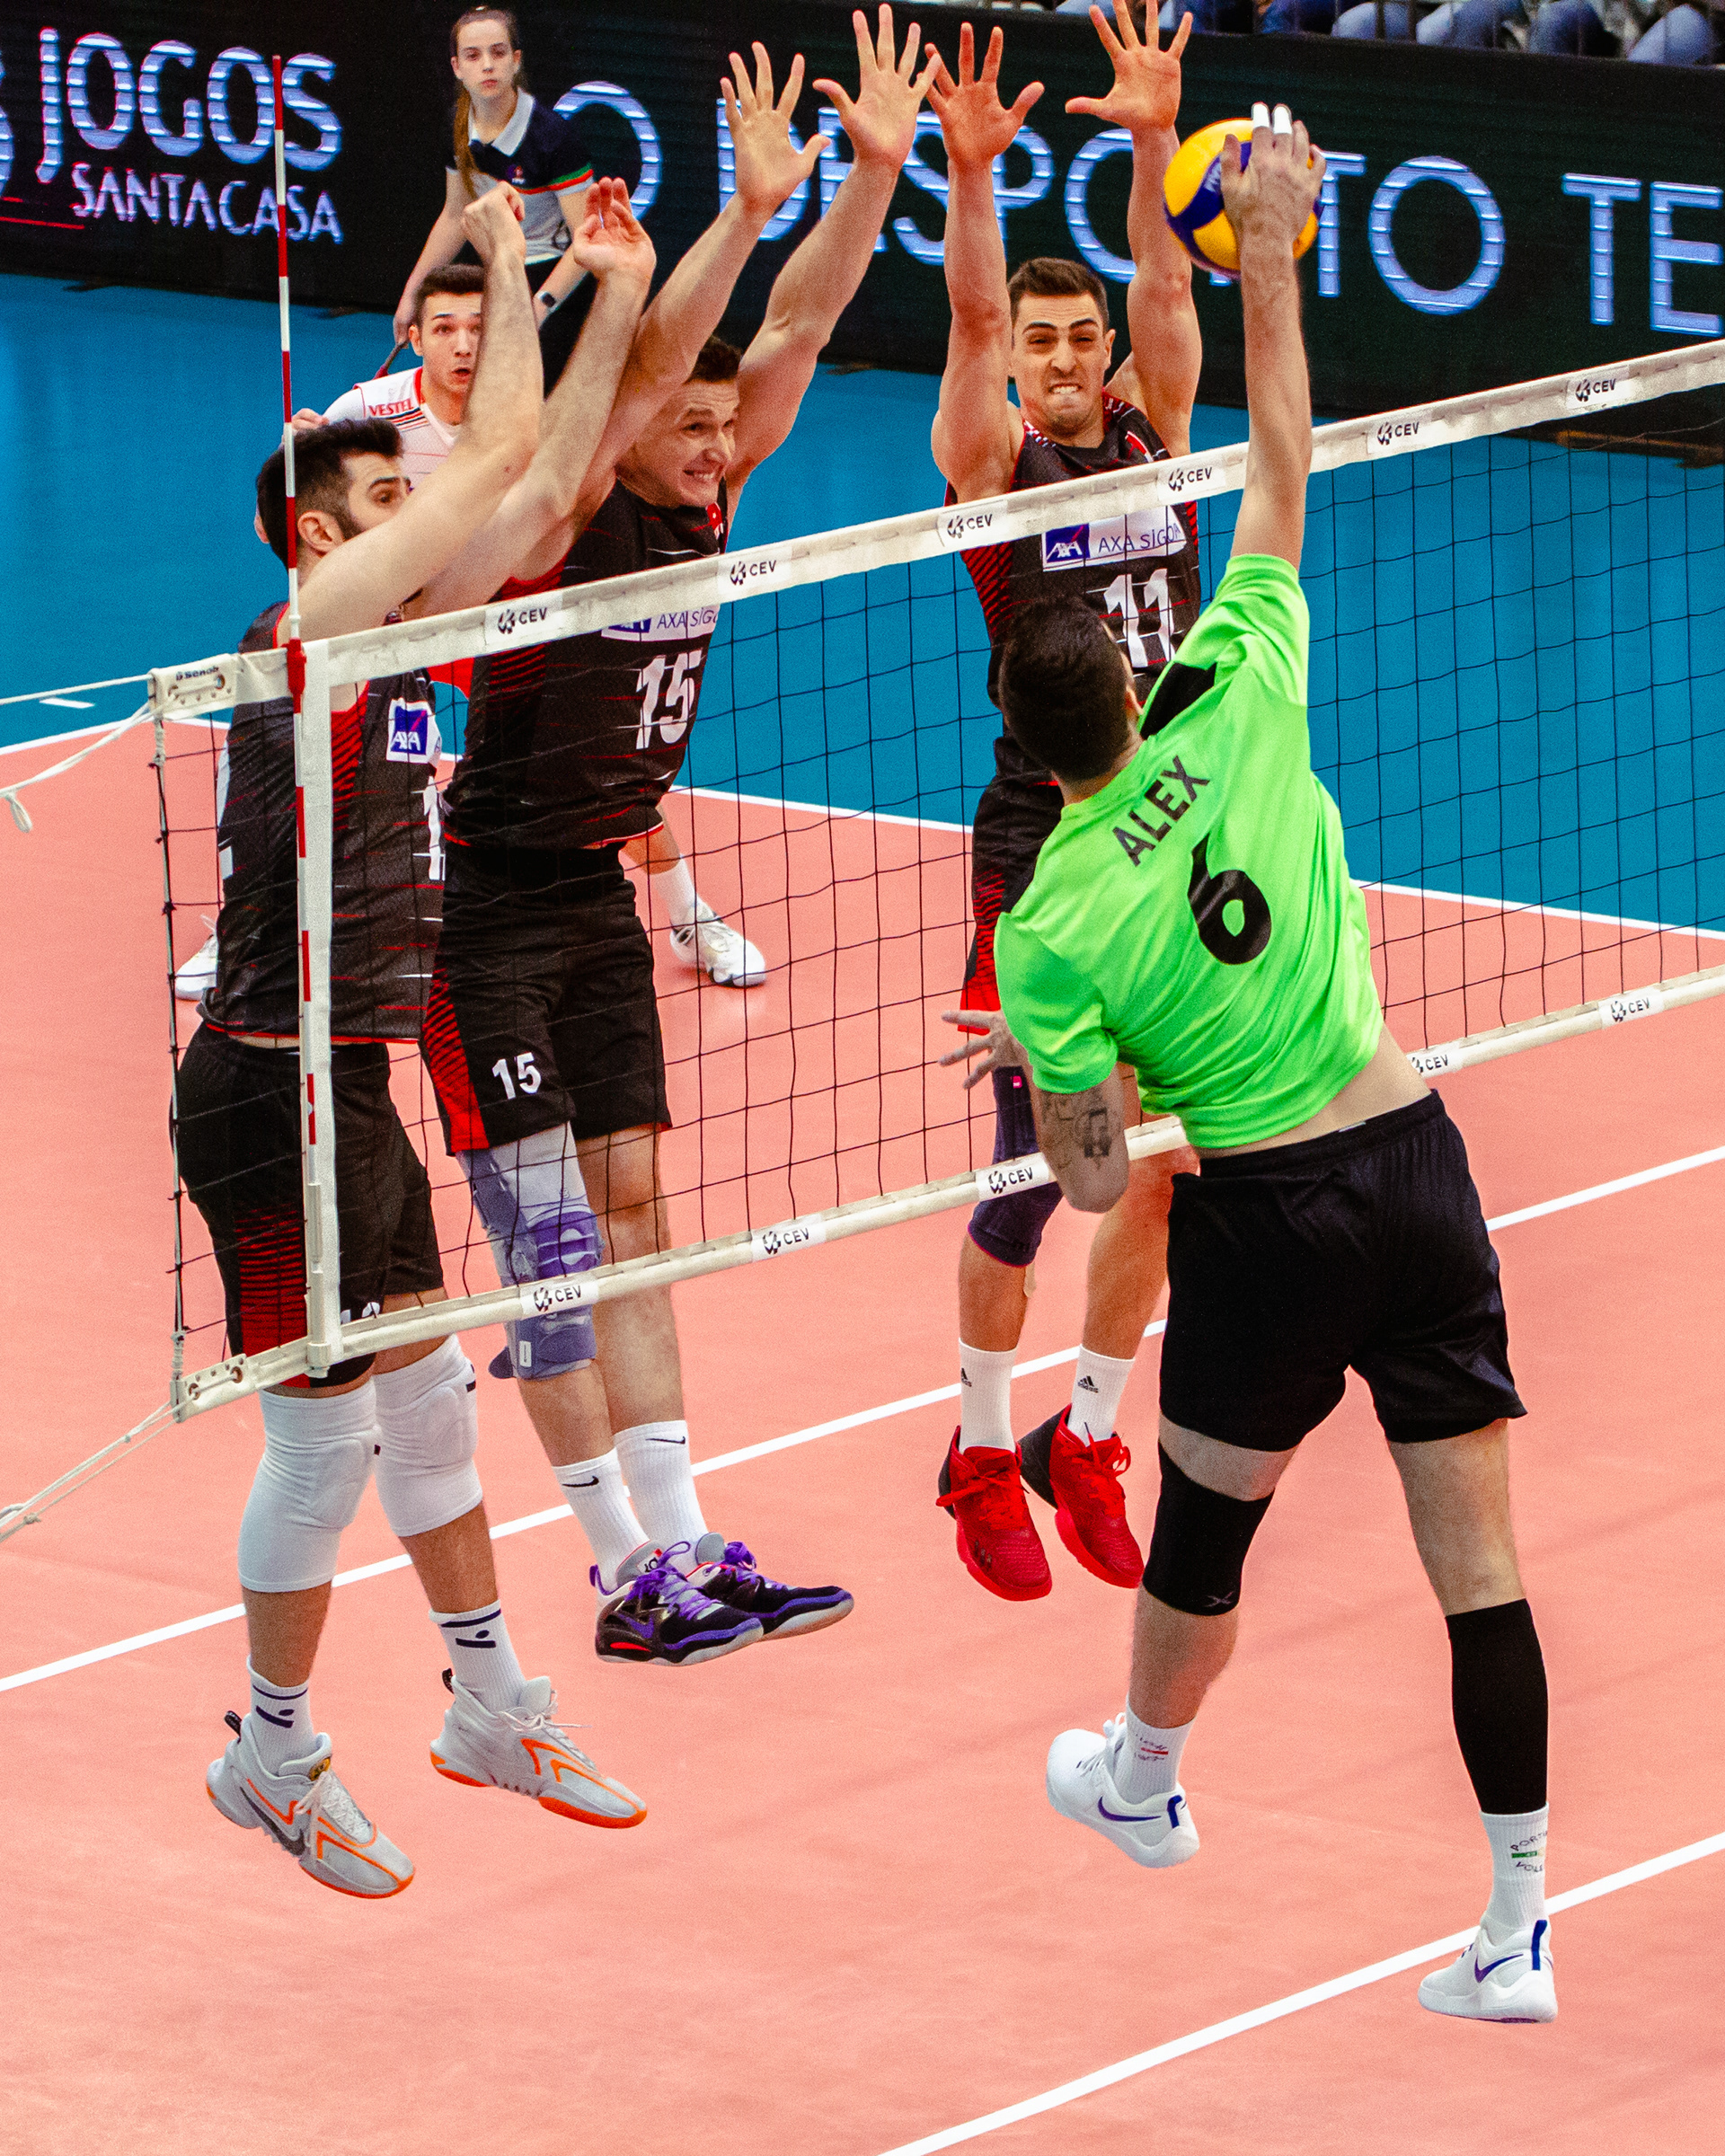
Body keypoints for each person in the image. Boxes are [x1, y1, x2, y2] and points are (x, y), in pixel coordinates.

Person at [982, 107, 1555, 2026]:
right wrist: (1277, 257)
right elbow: (1284, 456)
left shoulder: (1051, 924)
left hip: (1275, 1210)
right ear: (1131, 676)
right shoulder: (1236, 685)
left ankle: (1144, 1778)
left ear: (1027, 741)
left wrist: (1076, 1080)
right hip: (1417, 1154)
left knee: (1204, 1534)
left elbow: (1089, 1179)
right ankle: (1518, 1924)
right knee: (1482, 1575)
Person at [421, 9, 938, 1665]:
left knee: (640, 1213)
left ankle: (686, 1537)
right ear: (637, 428)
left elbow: (797, 325)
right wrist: (737, 211)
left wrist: (863, 181)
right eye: (692, 430)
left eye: (729, 435)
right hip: (481, 912)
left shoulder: (709, 493)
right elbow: (658, 358)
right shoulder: (569, 517)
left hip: (592, 899)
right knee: (553, 1250)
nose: (719, 451)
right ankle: (616, 1573)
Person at [181, 180, 660, 1897]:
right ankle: (273, 1753)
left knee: (436, 1404)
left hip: (350, 1089)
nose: (426, 504)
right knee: (324, 1445)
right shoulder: (308, 638)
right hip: (267, 1096)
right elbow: (494, 466)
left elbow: (529, 477)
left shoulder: (401, 633)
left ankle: (488, 1706)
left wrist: (586, 292)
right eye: (390, 495)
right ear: (318, 535)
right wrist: (518, 274)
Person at [927, 6, 1203, 1605]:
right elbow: (969, 317)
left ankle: (1086, 1436)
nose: (1066, 359)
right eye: (1043, 344)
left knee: (1163, 1162)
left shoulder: (1159, 425)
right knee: (1035, 1171)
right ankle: (978, 1445)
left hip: (1165, 828)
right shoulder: (995, 467)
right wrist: (972, 178)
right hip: (1041, 845)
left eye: (1079, 338)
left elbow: (1170, 282)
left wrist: (1157, 139)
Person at [393, 9, 595, 384]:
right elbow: (456, 216)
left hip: (553, 281)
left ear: (516, 61)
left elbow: (587, 239)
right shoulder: (457, 123)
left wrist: (539, 308)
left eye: (498, 52)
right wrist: (412, 295)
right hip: (496, 273)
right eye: (473, 56)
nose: (487, 65)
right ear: (457, 67)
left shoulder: (553, 139)